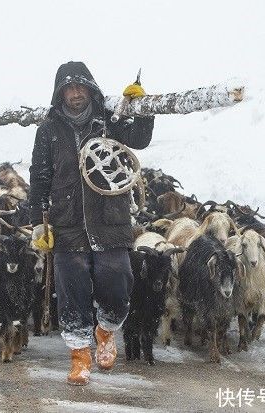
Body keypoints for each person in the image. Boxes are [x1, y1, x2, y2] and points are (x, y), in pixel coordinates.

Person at [28, 61, 154, 385]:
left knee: (118, 278)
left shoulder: (108, 122)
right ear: (60, 94)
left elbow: (139, 138)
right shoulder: (48, 131)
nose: (75, 94)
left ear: (90, 88)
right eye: (68, 89)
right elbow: (40, 179)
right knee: (72, 288)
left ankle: (106, 329)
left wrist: (141, 107)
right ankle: (79, 355)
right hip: (67, 224)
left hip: (110, 219)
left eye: (80, 87)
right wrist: (38, 223)